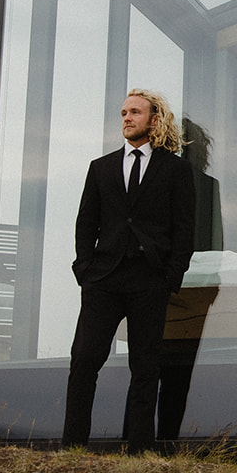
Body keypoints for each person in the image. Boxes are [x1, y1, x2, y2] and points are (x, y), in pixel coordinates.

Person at [63, 89, 196, 453]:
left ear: (154, 119)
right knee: (86, 359)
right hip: (103, 280)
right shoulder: (100, 168)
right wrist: (84, 270)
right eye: (123, 112)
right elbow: (85, 224)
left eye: (135, 112)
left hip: (149, 281)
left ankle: (139, 449)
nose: (126, 118)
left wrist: (171, 276)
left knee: (145, 367)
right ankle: (73, 445)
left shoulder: (176, 169)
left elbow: (185, 230)